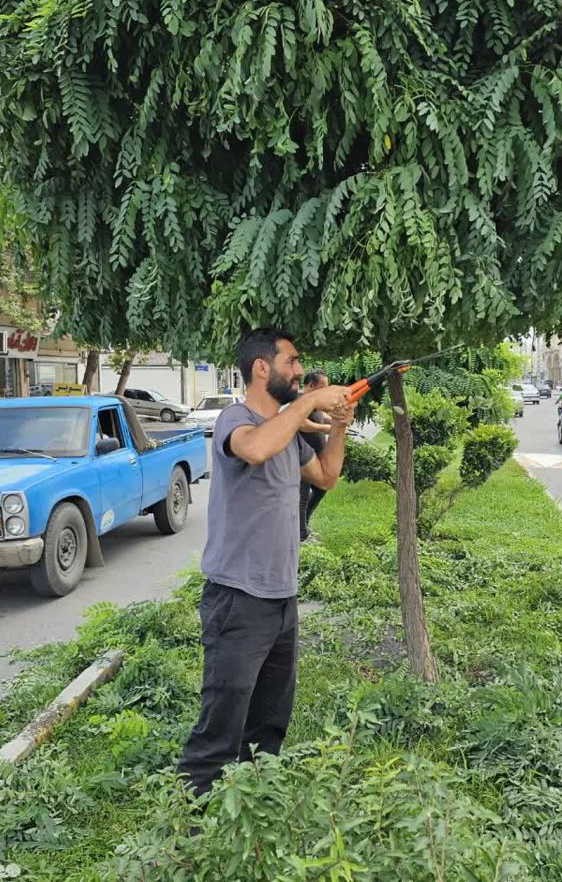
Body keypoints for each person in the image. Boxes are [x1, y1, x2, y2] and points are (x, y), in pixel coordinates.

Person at [177, 328, 351, 797]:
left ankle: (251, 808)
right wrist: (306, 404)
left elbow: (327, 477)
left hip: (281, 599)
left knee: (269, 722)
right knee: (221, 725)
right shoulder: (236, 419)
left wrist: (338, 426)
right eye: (291, 361)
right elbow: (254, 448)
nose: (299, 371)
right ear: (261, 367)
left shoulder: (288, 434)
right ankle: (190, 822)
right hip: (238, 599)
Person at [298, 370, 332, 542]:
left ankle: (304, 524)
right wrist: (324, 428)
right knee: (302, 497)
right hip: (303, 460)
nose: (325, 391)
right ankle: (301, 536)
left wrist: (332, 421)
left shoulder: (314, 401)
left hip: (316, 459)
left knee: (320, 489)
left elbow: (319, 415)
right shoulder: (300, 401)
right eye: (322, 387)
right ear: (310, 385)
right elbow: (301, 423)